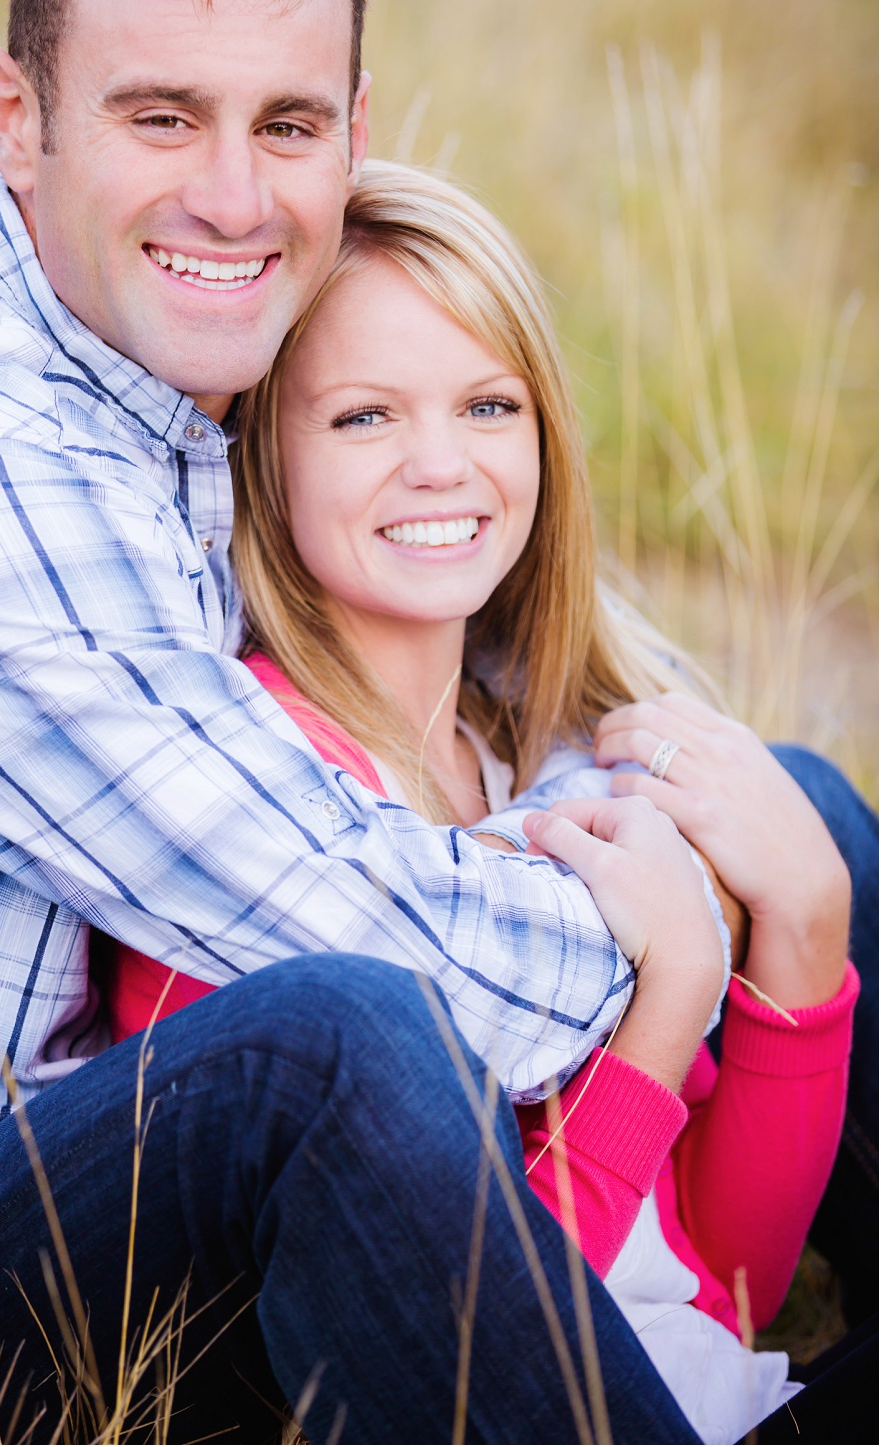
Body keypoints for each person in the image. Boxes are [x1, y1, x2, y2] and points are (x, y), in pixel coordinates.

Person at [0, 0, 869, 1443]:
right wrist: (690, 910)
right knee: (335, 1042)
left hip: (94, 1172)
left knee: (808, 808)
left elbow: (493, 628)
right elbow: (393, 952)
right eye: (161, 115)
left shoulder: (173, 371)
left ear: (357, 126)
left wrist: (761, 850)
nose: (236, 195)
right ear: (13, 117)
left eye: (290, 122)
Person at [104, 161, 875, 1442]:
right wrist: (665, 1004)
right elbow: (449, 1340)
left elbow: (719, 1286)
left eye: (487, 404)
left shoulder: (536, 755)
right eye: (363, 417)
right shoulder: (239, 809)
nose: (442, 465)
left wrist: (805, 929)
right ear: (263, 453)